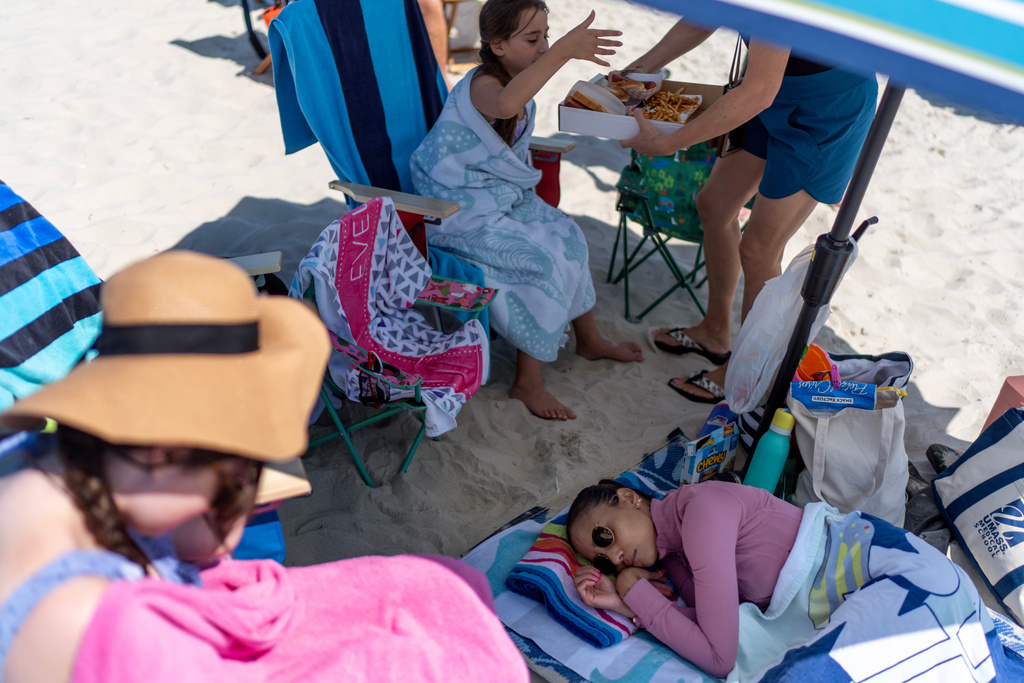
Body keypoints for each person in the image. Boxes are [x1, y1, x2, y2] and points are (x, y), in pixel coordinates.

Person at [0, 251, 528, 683]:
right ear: (163, 450)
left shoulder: (42, 463)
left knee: (447, 587)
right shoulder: (97, 629)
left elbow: (186, 534)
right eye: (235, 487)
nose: (239, 512)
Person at [619, 20, 877, 404]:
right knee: (715, 205)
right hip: (771, 86)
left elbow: (757, 91)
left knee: (759, 250)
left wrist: (668, 143)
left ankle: (745, 370)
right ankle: (714, 330)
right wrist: (638, 71)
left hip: (826, 106)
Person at [411, 0, 644, 421]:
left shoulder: (518, 80)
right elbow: (503, 107)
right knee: (536, 260)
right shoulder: (484, 85)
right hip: (454, 212)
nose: (543, 47)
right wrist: (564, 51)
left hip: (499, 199)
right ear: (497, 45)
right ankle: (527, 381)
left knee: (568, 233)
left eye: (547, 37)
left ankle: (588, 339)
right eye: (533, 39)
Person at [565, 479, 998, 679]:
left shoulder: (700, 509)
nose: (615, 556)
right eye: (603, 561)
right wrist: (629, 603)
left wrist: (632, 590)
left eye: (605, 535)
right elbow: (724, 622)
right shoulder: (675, 557)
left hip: (879, 566)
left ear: (629, 497)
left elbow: (719, 656)